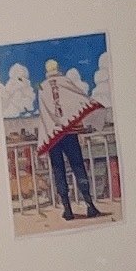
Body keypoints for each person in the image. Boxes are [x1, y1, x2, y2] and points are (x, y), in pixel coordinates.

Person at [35, 54, 103, 220]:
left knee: (58, 170)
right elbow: (78, 99)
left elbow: (45, 115)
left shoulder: (42, 87)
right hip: (70, 134)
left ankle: (67, 210)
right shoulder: (66, 81)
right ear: (58, 68)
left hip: (53, 136)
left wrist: (54, 126)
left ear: (46, 71)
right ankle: (90, 205)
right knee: (78, 167)